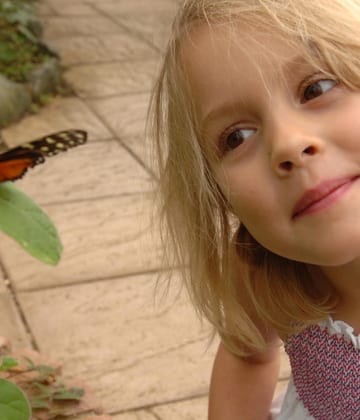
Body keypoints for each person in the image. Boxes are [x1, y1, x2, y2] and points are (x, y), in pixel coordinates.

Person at [149, 0, 360, 418]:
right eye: (237, 137)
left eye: (316, 88)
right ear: (216, 194)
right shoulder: (264, 276)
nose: (288, 143)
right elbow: (248, 358)